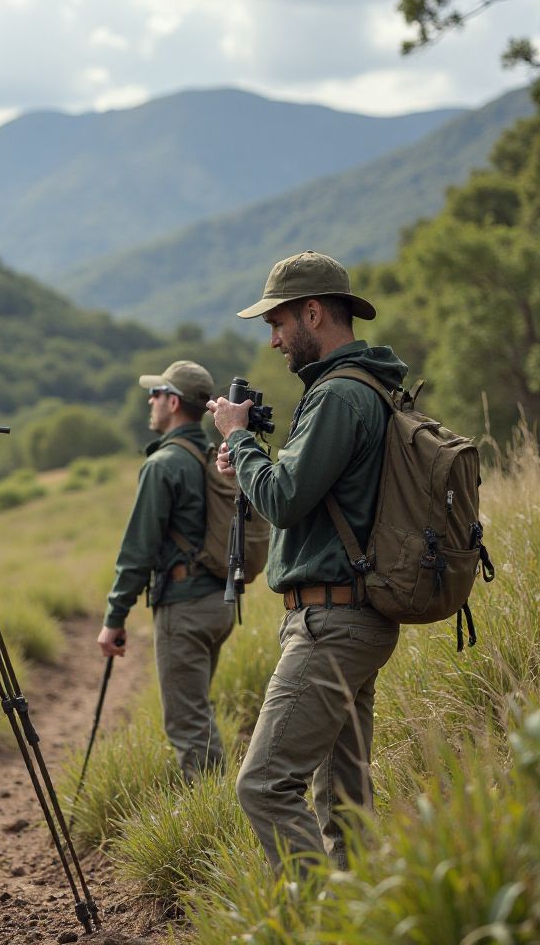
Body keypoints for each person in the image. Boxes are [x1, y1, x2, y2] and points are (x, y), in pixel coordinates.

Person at [207, 250, 407, 873]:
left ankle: (316, 922)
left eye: (277, 323)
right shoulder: (367, 387)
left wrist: (238, 438)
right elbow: (311, 496)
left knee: (263, 786)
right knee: (345, 803)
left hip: (334, 623)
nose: (272, 341)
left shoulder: (337, 396)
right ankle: (363, 920)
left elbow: (287, 501)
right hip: (357, 614)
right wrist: (249, 462)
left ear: (313, 313)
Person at [97, 360, 233, 781]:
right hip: (219, 602)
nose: (150, 402)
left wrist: (114, 619)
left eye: (155, 394)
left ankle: (211, 819)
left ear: (173, 402)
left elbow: (138, 550)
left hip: (185, 607)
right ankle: (215, 803)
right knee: (198, 710)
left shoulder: (163, 465)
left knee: (188, 725)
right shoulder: (213, 455)